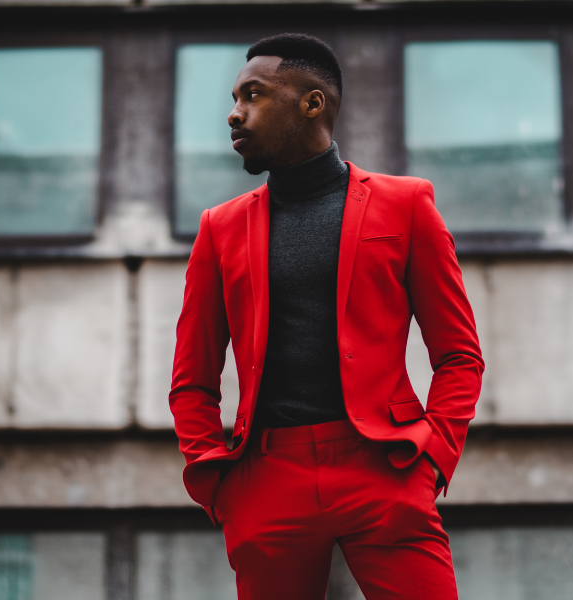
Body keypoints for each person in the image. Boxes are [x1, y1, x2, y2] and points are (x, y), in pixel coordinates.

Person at [169, 33, 483, 600]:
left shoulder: (406, 204)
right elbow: (192, 379)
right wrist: (217, 482)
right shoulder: (219, 228)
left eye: (253, 95)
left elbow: (459, 354)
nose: (234, 115)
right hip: (266, 479)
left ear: (312, 103)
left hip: (384, 468)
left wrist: (433, 459)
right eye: (235, 99)